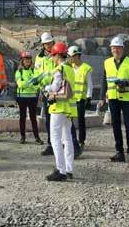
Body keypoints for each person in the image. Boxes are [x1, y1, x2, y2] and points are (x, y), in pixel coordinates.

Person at [99, 35, 129, 166]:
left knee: (128, 126)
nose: (115, 50)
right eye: (113, 48)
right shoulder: (107, 62)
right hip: (113, 98)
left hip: (127, 98)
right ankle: (119, 152)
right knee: (115, 125)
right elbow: (104, 82)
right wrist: (101, 98)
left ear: (122, 49)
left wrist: (125, 83)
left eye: (118, 48)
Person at [44, 42, 76, 181]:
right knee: (67, 139)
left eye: (53, 55)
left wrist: (46, 88)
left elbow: (55, 87)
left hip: (58, 108)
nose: (52, 58)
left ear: (57, 55)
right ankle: (69, 169)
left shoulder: (59, 69)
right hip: (68, 109)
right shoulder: (70, 68)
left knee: (55, 139)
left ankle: (61, 170)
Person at [15, 50, 44, 145]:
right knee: (22, 117)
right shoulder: (19, 72)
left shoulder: (34, 71)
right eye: (25, 59)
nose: (27, 61)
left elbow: (38, 85)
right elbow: (20, 84)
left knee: (33, 118)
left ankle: (37, 137)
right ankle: (22, 137)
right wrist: (31, 83)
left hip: (33, 98)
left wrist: (29, 84)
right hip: (22, 98)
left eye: (29, 59)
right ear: (22, 60)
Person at [35, 32, 56, 156]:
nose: (48, 45)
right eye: (46, 43)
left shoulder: (58, 55)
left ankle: (63, 142)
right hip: (45, 92)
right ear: (43, 44)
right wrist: (40, 90)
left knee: (59, 118)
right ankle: (50, 144)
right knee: (48, 119)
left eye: (50, 43)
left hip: (57, 91)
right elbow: (37, 74)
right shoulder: (39, 57)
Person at [68, 45, 93, 150]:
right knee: (69, 120)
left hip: (81, 99)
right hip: (70, 98)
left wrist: (88, 98)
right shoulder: (70, 68)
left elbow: (90, 84)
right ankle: (71, 140)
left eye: (71, 56)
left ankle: (81, 140)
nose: (70, 59)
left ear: (77, 56)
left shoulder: (86, 68)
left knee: (81, 120)